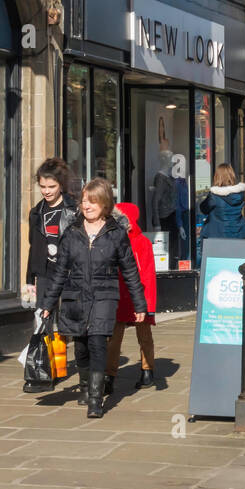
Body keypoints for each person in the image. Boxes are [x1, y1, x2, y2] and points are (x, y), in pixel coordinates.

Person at [40, 178, 147, 419]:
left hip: (104, 296)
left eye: (92, 201)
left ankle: (96, 399)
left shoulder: (117, 234)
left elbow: (130, 270)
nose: (86, 205)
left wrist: (140, 303)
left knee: (98, 342)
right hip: (74, 297)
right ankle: (86, 386)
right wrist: (48, 303)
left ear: (105, 203)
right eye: (84, 201)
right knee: (81, 346)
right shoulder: (71, 232)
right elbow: (60, 272)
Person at [106, 201, 158, 393]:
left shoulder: (141, 242)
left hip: (135, 296)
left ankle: (146, 370)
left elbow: (148, 275)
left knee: (140, 335)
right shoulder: (115, 239)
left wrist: (148, 304)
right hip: (120, 294)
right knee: (114, 337)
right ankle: (111, 375)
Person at [27, 158, 78, 310]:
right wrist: (29, 280)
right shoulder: (36, 213)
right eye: (42, 186)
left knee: (68, 321)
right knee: (44, 322)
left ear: (61, 185)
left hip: (70, 274)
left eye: (51, 186)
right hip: (44, 275)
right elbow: (33, 246)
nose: (46, 191)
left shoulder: (74, 211)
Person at [199, 162, 245, 240]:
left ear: (217, 176)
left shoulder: (214, 196)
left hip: (216, 235)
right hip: (239, 234)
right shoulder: (240, 193)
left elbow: (203, 209)